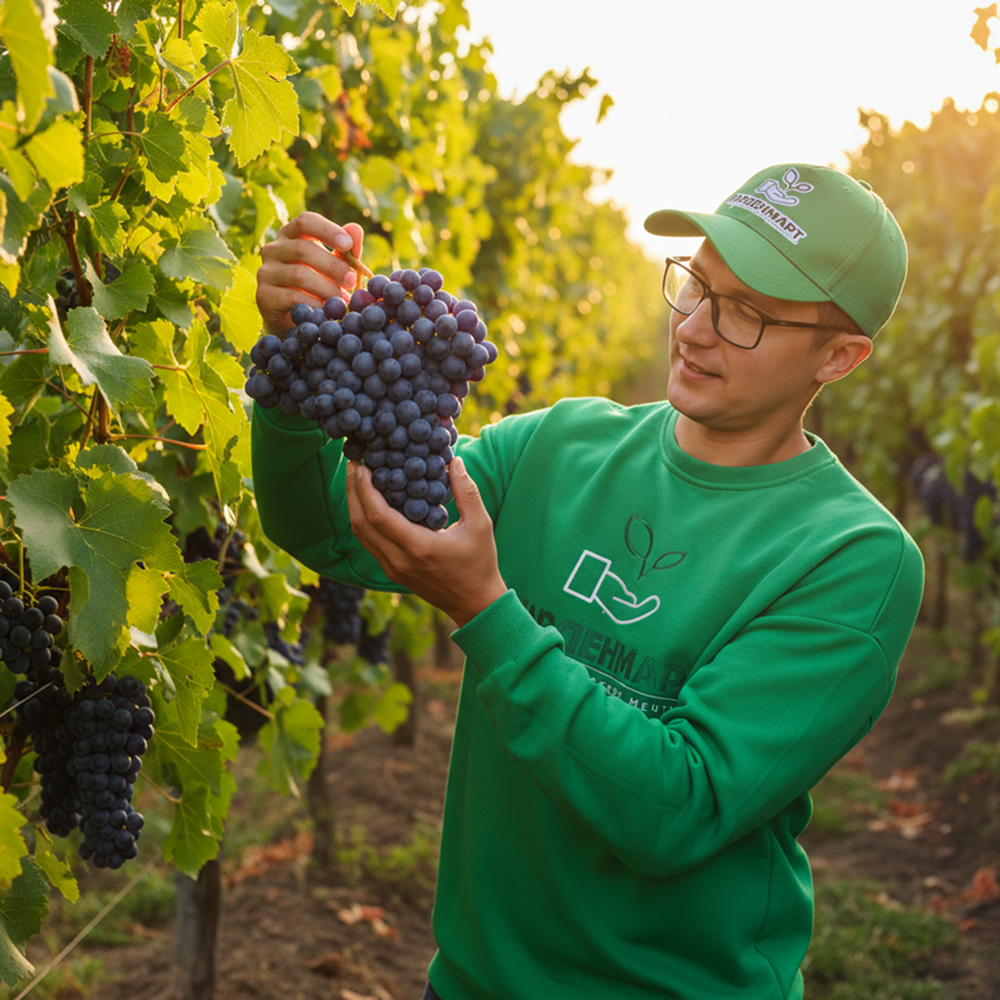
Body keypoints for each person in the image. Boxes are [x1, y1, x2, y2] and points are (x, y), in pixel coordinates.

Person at [251, 162, 924, 1000]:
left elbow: (675, 810)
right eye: (697, 285)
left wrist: (486, 612)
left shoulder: (853, 558)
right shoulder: (561, 445)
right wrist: (294, 366)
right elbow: (330, 530)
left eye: (747, 313)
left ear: (841, 356)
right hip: (469, 983)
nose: (697, 329)